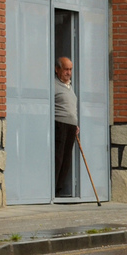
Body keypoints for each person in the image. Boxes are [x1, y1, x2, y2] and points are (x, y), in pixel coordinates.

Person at [54, 56, 79, 196]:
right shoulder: (53, 84)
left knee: (67, 158)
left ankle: (60, 188)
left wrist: (76, 124)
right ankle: (54, 187)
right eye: (66, 69)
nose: (68, 72)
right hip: (59, 124)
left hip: (71, 125)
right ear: (57, 69)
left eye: (70, 69)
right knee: (58, 157)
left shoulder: (70, 86)